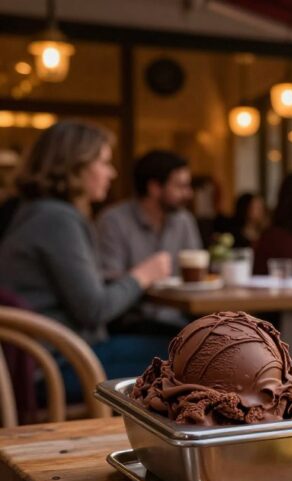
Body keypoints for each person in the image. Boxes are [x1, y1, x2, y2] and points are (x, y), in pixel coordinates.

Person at [0, 121, 171, 401]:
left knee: (180, 346)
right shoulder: (57, 219)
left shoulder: (35, 212)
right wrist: (143, 275)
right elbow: (93, 310)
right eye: (104, 162)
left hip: (44, 357)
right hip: (56, 366)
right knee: (188, 355)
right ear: (75, 166)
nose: (112, 173)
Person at [96, 150, 201, 279]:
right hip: (135, 300)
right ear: (154, 188)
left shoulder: (184, 220)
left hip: (178, 299)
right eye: (180, 186)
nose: (189, 193)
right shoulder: (113, 221)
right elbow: (110, 278)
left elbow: (196, 274)